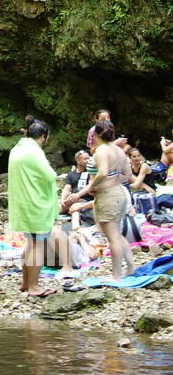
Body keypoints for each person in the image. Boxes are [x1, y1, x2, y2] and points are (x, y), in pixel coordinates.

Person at [6, 119, 60, 297]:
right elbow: (49, 175)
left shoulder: (18, 148)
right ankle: (34, 286)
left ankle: (25, 282)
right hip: (34, 204)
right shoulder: (33, 151)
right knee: (37, 246)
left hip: (22, 203)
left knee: (30, 244)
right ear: (44, 136)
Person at [80, 119, 135, 279]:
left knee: (112, 237)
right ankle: (130, 266)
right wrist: (115, 180)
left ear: (96, 134)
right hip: (120, 192)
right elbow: (128, 175)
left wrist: (92, 186)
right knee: (115, 233)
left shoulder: (102, 150)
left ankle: (116, 275)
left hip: (108, 195)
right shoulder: (119, 150)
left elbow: (102, 172)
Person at [60, 150, 94, 229]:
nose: (88, 160)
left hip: (84, 200)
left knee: (75, 207)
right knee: (58, 206)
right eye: (85, 159)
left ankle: (76, 229)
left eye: (89, 158)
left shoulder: (91, 172)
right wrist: (63, 200)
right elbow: (66, 188)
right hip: (72, 199)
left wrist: (77, 195)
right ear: (78, 160)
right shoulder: (71, 174)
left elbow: (90, 186)